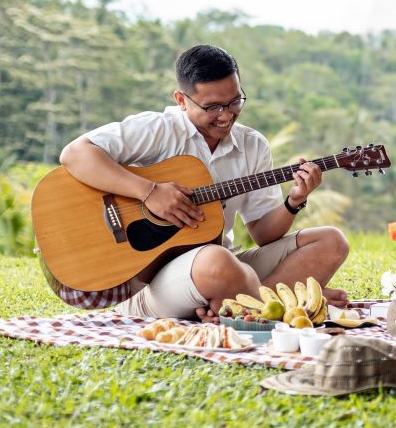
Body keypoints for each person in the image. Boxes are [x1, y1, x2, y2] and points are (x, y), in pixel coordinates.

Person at [59, 44, 350, 322]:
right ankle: (278, 306)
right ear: (181, 100)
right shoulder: (158, 130)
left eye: (234, 101)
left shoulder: (252, 145)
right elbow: (75, 154)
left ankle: (240, 306)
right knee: (218, 262)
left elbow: (263, 234)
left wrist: (294, 201)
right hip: (150, 285)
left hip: (224, 269)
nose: (226, 115)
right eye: (212, 107)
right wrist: (149, 192)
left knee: (331, 242)